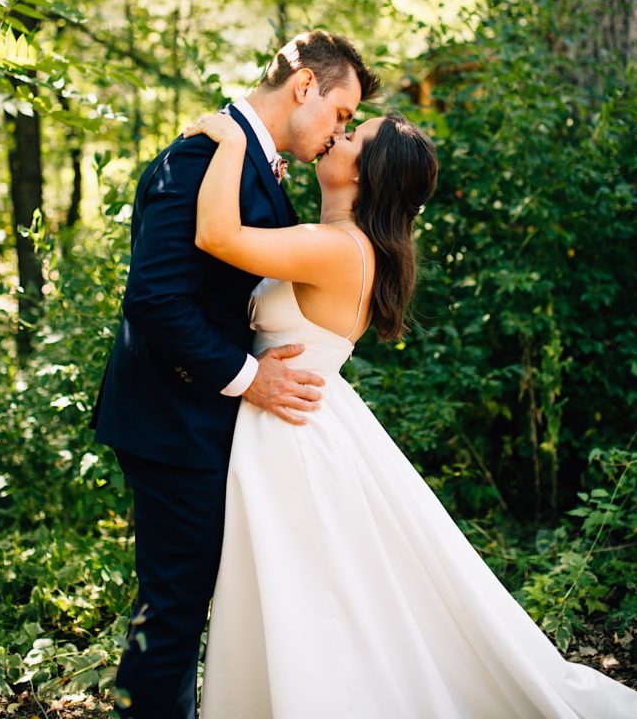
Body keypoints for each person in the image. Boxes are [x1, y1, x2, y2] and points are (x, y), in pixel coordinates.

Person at [182, 109, 637, 719]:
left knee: (309, 601)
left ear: (366, 177)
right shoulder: (338, 242)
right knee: (308, 597)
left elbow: (216, 236)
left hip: (294, 438)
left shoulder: (338, 249)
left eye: (353, 137)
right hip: (296, 421)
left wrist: (235, 137)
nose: (337, 136)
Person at [90, 29, 381, 719]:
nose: (339, 132)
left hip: (206, 423)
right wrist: (248, 378)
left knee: (191, 605)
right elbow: (155, 298)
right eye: (341, 114)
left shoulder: (254, 162)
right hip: (172, 420)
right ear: (304, 85)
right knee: (172, 612)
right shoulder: (200, 156)